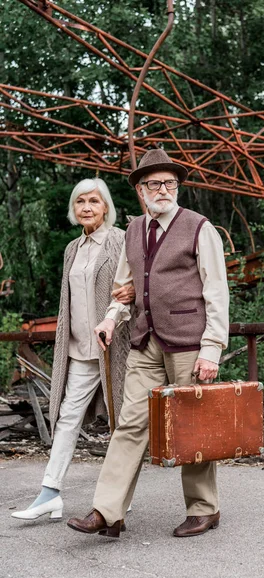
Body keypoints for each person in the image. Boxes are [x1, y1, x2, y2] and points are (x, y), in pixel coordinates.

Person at [67, 149, 230, 539]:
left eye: (170, 183)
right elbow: (124, 290)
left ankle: (204, 509)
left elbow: (217, 292)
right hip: (146, 340)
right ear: (141, 191)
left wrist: (212, 349)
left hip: (190, 342)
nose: (163, 189)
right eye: (154, 184)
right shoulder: (135, 230)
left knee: (192, 427)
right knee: (130, 425)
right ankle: (107, 511)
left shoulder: (199, 227)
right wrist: (110, 318)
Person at [12, 178, 133, 521]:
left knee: (119, 423)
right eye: (80, 202)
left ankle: (116, 497)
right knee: (66, 418)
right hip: (80, 350)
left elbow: (129, 292)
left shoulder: (119, 241)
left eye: (94, 201)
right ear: (74, 208)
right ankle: (50, 493)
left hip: (113, 349)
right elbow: (68, 304)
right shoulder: (72, 249)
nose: (87, 207)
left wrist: (114, 322)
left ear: (105, 206)